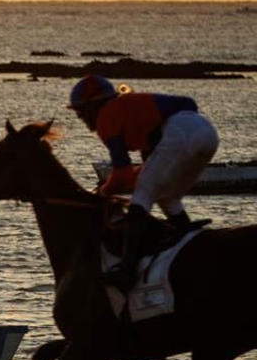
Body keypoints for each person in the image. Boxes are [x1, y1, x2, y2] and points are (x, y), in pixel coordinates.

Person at [68, 74, 219, 289]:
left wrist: (102, 193)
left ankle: (127, 270)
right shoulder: (134, 113)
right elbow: (188, 103)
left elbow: (121, 175)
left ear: (94, 106)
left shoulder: (107, 118)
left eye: (82, 112)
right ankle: (186, 237)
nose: (82, 119)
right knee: (166, 195)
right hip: (206, 133)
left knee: (144, 193)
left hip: (181, 131)